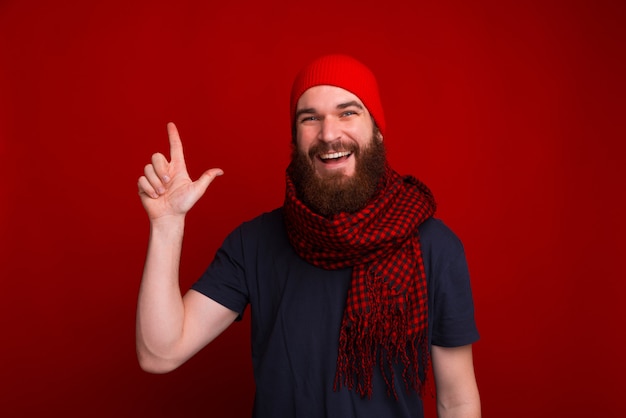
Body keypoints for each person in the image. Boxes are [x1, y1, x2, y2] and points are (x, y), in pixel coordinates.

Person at [136, 54, 481, 417]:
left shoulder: (433, 246)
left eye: (348, 112)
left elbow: (456, 401)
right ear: (295, 138)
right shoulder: (254, 243)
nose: (328, 134)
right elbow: (161, 353)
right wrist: (167, 224)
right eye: (310, 118)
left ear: (377, 129)